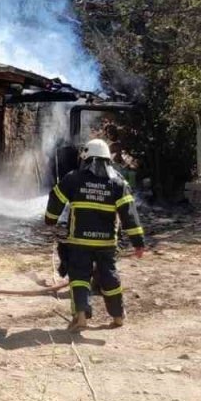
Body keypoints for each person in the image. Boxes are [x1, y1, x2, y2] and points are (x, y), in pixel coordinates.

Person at [45, 138, 145, 332]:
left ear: (86, 158)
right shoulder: (118, 182)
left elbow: (55, 197)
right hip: (106, 242)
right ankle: (117, 317)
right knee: (109, 277)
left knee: (79, 277)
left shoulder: (74, 178)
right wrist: (138, 242)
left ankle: (81, 317)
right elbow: (129, 214)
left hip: (79, 240)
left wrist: (50, 220)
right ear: (108, 160)